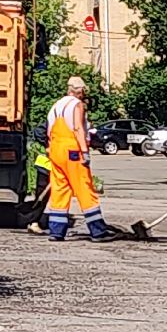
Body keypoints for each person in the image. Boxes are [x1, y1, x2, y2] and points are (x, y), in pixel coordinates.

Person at [44, 76, 115, 242]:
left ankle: (56, 231)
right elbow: (77, 128)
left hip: (56, 150)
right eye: (83, 90)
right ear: (79, 90)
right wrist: (84, 151)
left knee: (60, 189)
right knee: (84, 187)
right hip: (72, 150)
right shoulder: (77, 105)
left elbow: (48, 130)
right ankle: (97, 230)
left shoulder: (56, 106)